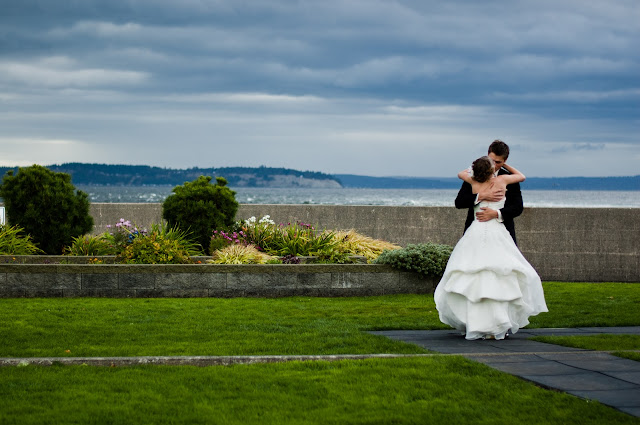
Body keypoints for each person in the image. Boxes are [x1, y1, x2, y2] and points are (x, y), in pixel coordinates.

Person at [434, 156, 548, 340]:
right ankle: (492, 324)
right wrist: (504, 166)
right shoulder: (502, 181)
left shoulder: (474, 182)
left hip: (478, 231)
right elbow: (521, 176)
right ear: (490, 170)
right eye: (493, 163)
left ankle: (480, 323)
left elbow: (460, 173)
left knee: (477, 277)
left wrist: (478, 171)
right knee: (495, 277)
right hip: (494, 232)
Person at [455, 140, 523, 245]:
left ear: (505, 160)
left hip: (503, 233)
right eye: (492, 161)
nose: (494, 165)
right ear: (487, 156)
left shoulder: (508, 178)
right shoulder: (474, 175)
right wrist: (481, 196)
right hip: (475, 232)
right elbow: (459, 202)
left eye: (498, 162)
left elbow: (518, 207)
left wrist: (496, 213)